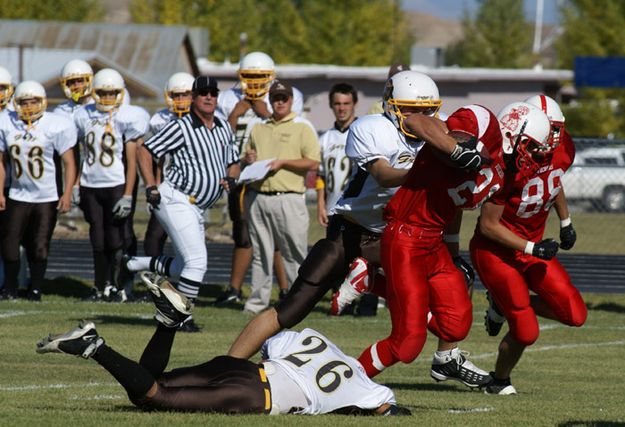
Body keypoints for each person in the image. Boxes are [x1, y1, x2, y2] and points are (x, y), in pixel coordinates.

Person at [226, 71, 489, 384]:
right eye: (412, 110)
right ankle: (226, 365)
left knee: (449, 294)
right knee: (292, 308)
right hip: (350, 233)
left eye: (428, 110)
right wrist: (430, 167)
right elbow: (384, 174)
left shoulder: (446, 129)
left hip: (399, 237)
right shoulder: (373, 127)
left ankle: (446, 356)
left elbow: (456, 188)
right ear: (391, 108)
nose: (422, 118)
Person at [36, 272, 408, 416]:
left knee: (149, 385)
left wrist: (231, 363)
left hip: (244, 368)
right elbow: (383, 408)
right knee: (156, 398)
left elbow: (272, 343)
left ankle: (167, 323)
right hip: (256, 396)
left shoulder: (317, 340)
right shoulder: (369, 390)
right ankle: (94, 347)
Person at [348, 104, 503, 384]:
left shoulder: (500, 167)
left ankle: (371, 280)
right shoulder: (452, 134)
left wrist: (453, 248)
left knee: (455, 325)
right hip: (406, 237)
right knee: (407, 344)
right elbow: (416, 120)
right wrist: (456, 150)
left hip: (435, 242)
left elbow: (457, 206)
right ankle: (350, 383)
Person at [470, 100, 587, 395]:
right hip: (497, 250)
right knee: (526, 330)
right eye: (549, 132)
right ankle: (499, 381)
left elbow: (553, 179)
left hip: (531, 245)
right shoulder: (508, 161)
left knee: (575, 314)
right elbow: (488, 226)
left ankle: (504, 305)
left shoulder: (559, 149)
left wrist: (565, 220)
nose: (554, 140)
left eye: (556, 132)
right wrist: (533, 248)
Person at [125, 75, 240, 332]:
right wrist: (150, 185)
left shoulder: (222, 126)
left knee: (183, 266)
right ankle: (181, 318)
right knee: (197, 262)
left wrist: (232, 178)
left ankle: (135, 263)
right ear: (193, 98)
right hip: (176, 199)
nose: (209, 97)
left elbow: (234, 161)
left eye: (213, 92)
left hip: (198, 207)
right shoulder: (181, 126)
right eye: (203, 93)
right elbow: (146, 151)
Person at [214, 51, 304, 307]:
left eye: (259, 77)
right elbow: (221, 136)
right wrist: (234, 115)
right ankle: (236, 288)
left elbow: (285, 127)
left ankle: (286, 289)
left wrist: (262, 110)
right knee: (243, 233)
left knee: (277, 237)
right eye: (249, 77)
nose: (254, 82)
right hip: (239, 172)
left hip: (272, 173)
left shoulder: (284, 95)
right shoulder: (228, 98)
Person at [241, 80, 320, 314]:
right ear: (271, 101)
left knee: (295, 253)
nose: (280, 102)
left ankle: (300, 301)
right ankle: (256, 303)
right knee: (260, 252)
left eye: (284, 98)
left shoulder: (302, 126)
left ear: (291, 100)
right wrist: (248, 158)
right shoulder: (258, 127)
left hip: (289, 197)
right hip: (258, 195)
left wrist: (284, 162)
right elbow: (247, 155)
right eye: (276, 98)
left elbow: (313, 161)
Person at [73, 68, 149, 302]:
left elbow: (132, 161)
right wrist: (76, 184)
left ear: (120, 93)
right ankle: (100, 287)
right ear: (94, 92)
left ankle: (121, 288)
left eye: (111, 93)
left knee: (117, 239)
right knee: (97, 238)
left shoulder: (127, 116)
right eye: (102, 93)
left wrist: (128, 194)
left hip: (115, 183)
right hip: (90, 184)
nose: (106, 98)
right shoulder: (83, 114)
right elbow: (82, 153)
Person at [0, 81, 77, 300]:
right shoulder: (7, 123)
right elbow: (1, 161)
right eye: (24, 102)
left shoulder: (55, 125)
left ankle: (35, 289)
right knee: (10, 242)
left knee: (40, 245)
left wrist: (68, 192)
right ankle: (10, 288)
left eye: (33, 101)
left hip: (46, 196)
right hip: (18, 193)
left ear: (42, 102)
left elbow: (69, 162)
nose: (29, 106)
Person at [142, 72, 195, 259]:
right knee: (153, 239)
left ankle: (187, 283)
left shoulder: (204, 119)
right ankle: (157, 282)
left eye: (185, 94)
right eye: (176, 95)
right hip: (168, 187)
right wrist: (155, 186)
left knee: (188, 243)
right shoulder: (160, 120)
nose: (180, 99)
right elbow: (160, 159)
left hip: (193, 190)